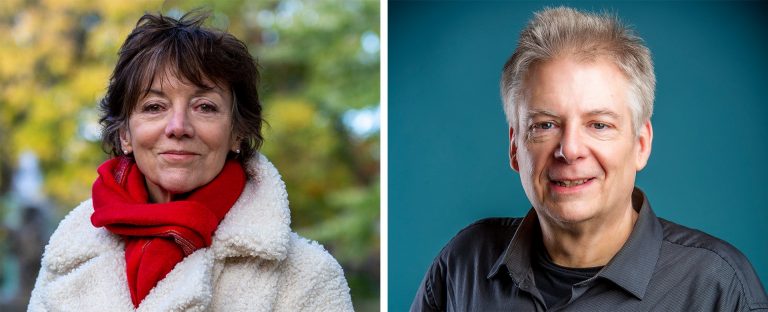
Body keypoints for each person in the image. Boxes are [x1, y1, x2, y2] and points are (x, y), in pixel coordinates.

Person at [411, 7, 768, 311]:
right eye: (545, 125)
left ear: (641, 144)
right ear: (515, 147)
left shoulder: (717, 287)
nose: (570, 149)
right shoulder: (462, 266)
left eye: (599, 124)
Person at [29, 12, 353, 311]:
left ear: (237, 132)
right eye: (154, 107)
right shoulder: (66, 257)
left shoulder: (308, 276)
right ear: (125, 133)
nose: (178, 127)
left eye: (205, 107)